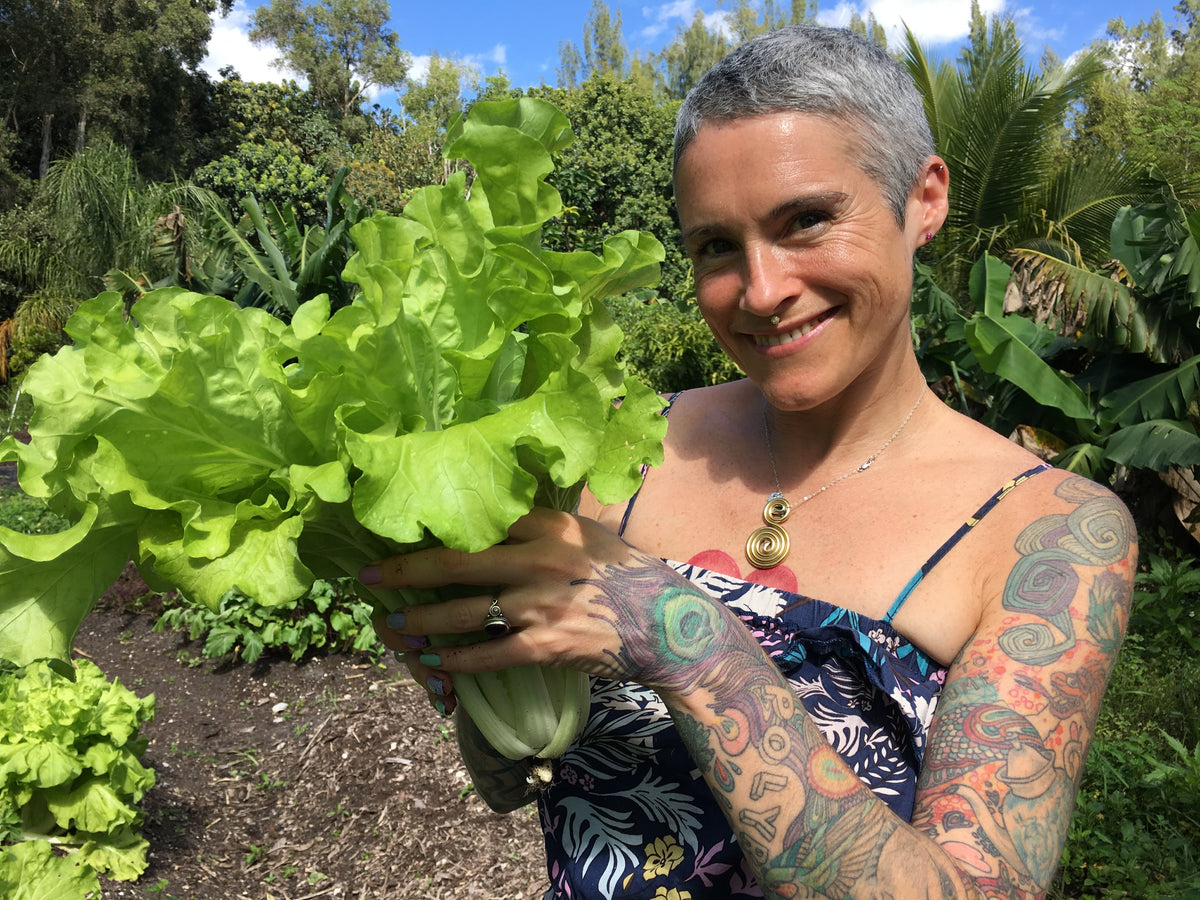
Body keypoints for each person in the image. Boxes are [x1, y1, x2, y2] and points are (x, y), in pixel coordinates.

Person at [362, 24, 1136, 900]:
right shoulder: (618, 450)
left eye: (807, 220)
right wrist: (477, 677)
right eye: (717, 246)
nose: (762, 292)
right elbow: (523, 786)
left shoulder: (1049, 534)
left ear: (924, 199)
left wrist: (684, 646)